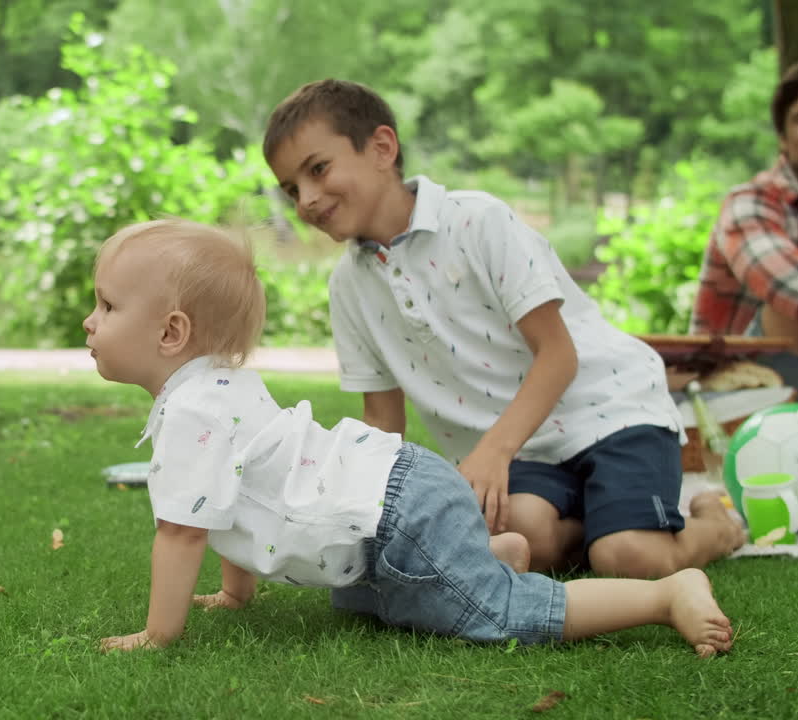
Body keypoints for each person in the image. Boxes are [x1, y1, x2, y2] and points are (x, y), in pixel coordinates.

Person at [85, 217, 733, 657]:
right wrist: (235, 592)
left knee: (495, 614)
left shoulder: (193, 412)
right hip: (393, 500)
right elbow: (229, 500)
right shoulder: (219, 388)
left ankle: (662, 595)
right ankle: (495, 550)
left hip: (397, 517)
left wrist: (158, 635)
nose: (91, 322)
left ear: (171, 333)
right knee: (379, 603)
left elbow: (183, 531)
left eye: (107, 306)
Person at [262, 79, 745, 580]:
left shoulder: (478, 221)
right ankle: (599, 519)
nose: (308, 200)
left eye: (318, 170)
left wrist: (493, 451)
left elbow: (559, 355)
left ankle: (715, 524)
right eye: (292, 189)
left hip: (609, 411)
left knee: (628, 559)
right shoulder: (348, 285)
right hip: (526, 449)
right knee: (521, 540)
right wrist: (356, 516)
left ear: (383, 147)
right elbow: (382, 419)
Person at [692, 61, 798, 396]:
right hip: (734, 385)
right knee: (791, 314)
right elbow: (791, 287)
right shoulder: (750, 203)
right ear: (783, 139)